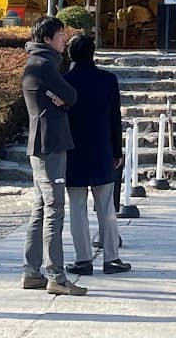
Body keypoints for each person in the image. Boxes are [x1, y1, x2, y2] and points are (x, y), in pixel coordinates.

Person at [21, 16, 86, 295]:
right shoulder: (45, 65)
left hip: (40, 144)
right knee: (54, 209)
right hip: (50, 144)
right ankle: (56, 275)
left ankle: (31, 271)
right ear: (47, 38)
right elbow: (71, 95)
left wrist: (62, 97)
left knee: (40, 208)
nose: (64, 40)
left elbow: (65, 96)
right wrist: (63, 98)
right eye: (61, 35)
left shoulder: (36, 63)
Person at [62, 33, 131, 276]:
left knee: (77, 206)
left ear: (70, 54)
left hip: (73, 149)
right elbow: (115, 117)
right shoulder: (108, 80)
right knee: (106, 207)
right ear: (93, 53)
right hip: (102, 147)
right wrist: (117, 149)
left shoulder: (64, 80)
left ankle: (83, 259)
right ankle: (112, 257)